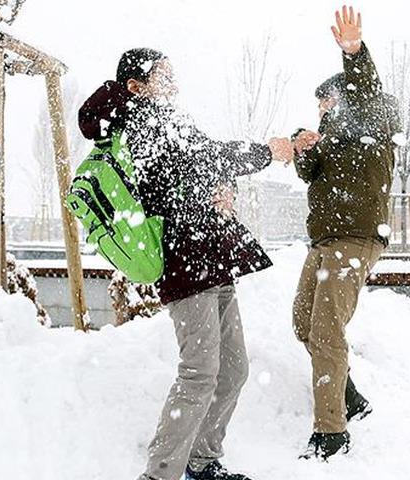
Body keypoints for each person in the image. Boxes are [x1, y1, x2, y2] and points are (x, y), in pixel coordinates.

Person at [78, 48, 294, 480]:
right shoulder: (139, 122)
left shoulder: (170, 121)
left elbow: (203, 164)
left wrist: (224, 188)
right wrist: (264, 152)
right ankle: (160, 473)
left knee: (233, 369)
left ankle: (202, 462)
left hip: (213, 257)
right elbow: (197, 159)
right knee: (199, 372)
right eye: (164, 76)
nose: (174, 84)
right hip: (185, 261)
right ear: (137, 86)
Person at [289, 5, 399, 460]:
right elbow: (308, 173)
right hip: (326, 242)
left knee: (328, 331)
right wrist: (301, 145)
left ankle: (331, 432)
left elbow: (367, 90)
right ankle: (350, 396)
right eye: (319, 106)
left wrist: (353, 51)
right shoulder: (330, 139)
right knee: (303, 323)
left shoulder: (373, 120)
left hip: (355, 240)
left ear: (346, 97)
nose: (322, 110)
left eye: (327, 102)